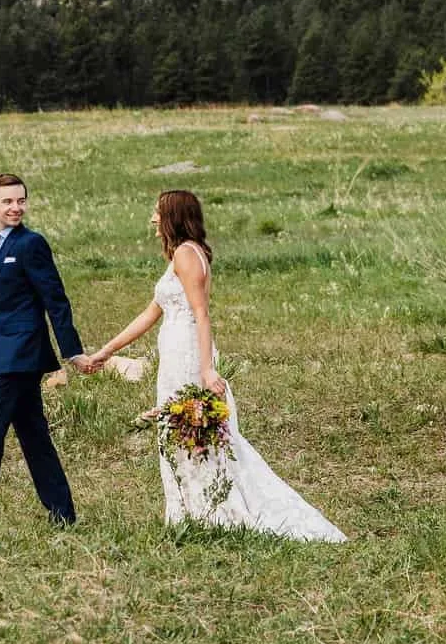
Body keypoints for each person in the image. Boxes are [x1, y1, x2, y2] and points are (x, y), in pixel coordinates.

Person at [79, 189, 344, 541]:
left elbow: (201, 314)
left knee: (191, 429)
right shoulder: (184, 254)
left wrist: (206, 369)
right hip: (176, 352)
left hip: (188, 354)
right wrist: (106, 351)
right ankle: (194, 510)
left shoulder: (187, 255)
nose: (153, 219)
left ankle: (211, 512)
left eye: (158, 212)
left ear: (173, 217)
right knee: (181, 431)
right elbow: (150, 313)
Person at [0, 174, 88, 525]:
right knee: (34, 435)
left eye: (21, 201)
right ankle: (62, 512)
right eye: (7, 202)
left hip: (22, 354)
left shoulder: (32, 244)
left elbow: (55, 299)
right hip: (1, 352)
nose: (15, 208)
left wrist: (72, 351)